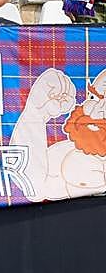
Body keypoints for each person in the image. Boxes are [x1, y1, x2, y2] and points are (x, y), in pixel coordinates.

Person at [10, 67, 106, 200]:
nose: (95, 112)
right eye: (93, 97)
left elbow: (36, 188)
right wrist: (36, 113)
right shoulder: (66, 151)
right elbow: (29, 184)